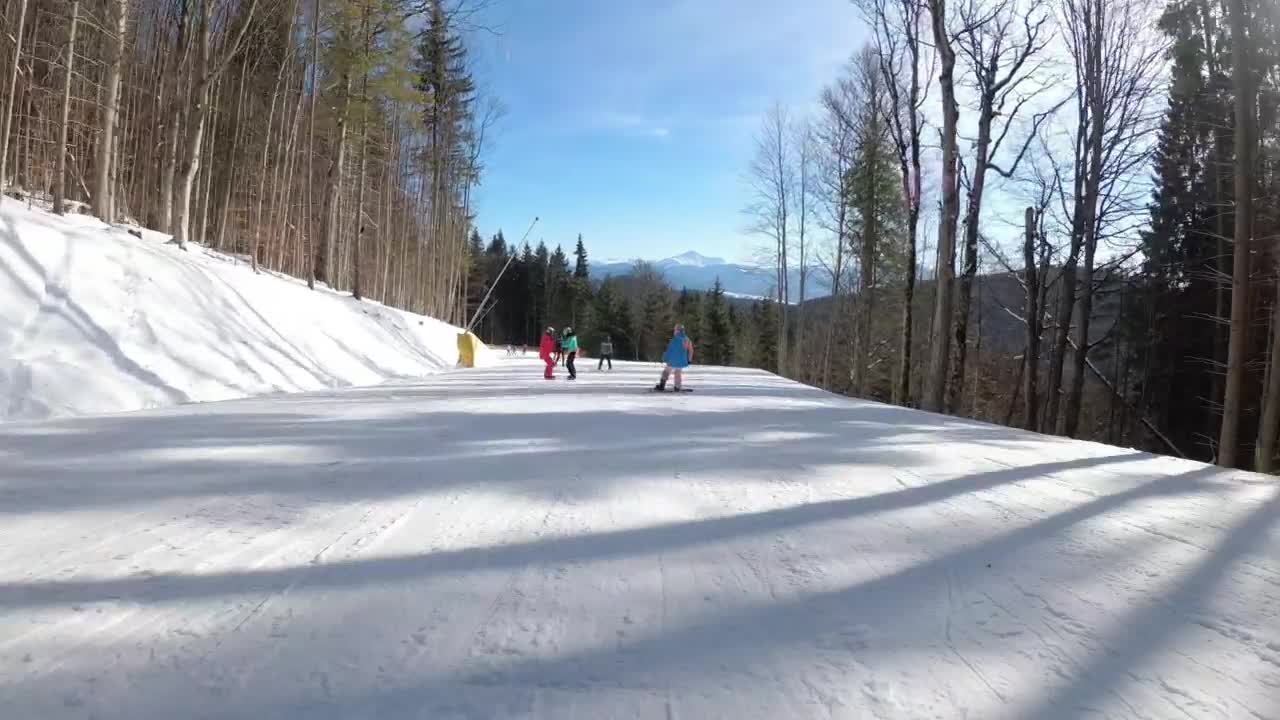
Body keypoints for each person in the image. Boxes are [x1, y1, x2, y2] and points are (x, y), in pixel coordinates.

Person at [655, 323, 694, 391]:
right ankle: (677, 387)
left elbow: (670, 350)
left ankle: (662, 385)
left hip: (672, 360)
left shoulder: (675, 339)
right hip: (681, 361)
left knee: (666, 371)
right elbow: (691, 350)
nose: (674, 331)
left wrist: (664, 358)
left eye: (675, 330)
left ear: (678, 330)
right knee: (678, 373)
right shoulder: (687, 339)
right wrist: (689, 360)